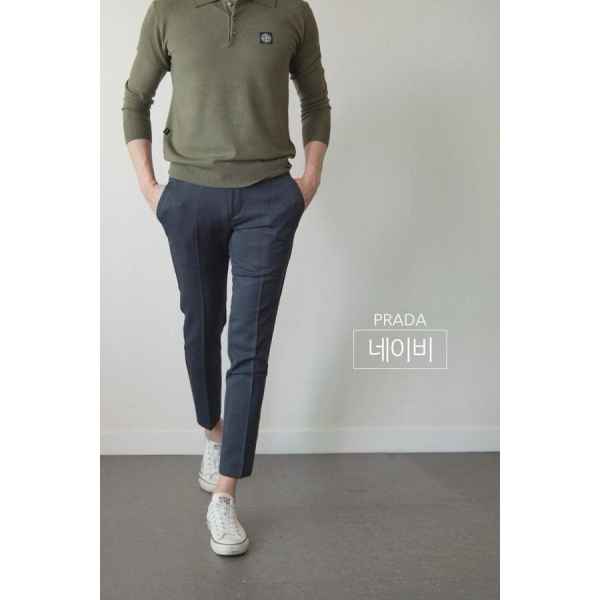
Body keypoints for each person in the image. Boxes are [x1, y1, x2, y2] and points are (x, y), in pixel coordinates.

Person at [122, 0, 330, 556]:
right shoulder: (168, 10)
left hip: (268, 200)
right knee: (201, 323)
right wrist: (151, 190)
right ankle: (212, 429)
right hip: (190, 198)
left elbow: (315, 101)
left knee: (249, 342)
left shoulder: (292, 11)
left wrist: (308, 181)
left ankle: (225, 492)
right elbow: (135, 99)